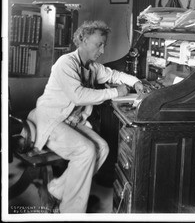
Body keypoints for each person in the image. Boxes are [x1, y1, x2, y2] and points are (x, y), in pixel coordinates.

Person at [26, 20, 144, 213]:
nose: (103, 50)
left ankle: (56, 191)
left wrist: (136, 82)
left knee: (102, 148)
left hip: (68, 121)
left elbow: (113, 75)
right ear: (83, 40)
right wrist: (115, 93)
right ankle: (70, 212)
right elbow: (78, 96)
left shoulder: (91, 66)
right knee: (86, 151)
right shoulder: (66, 63)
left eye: (104, 45)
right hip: (49, 118)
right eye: (99, 44)